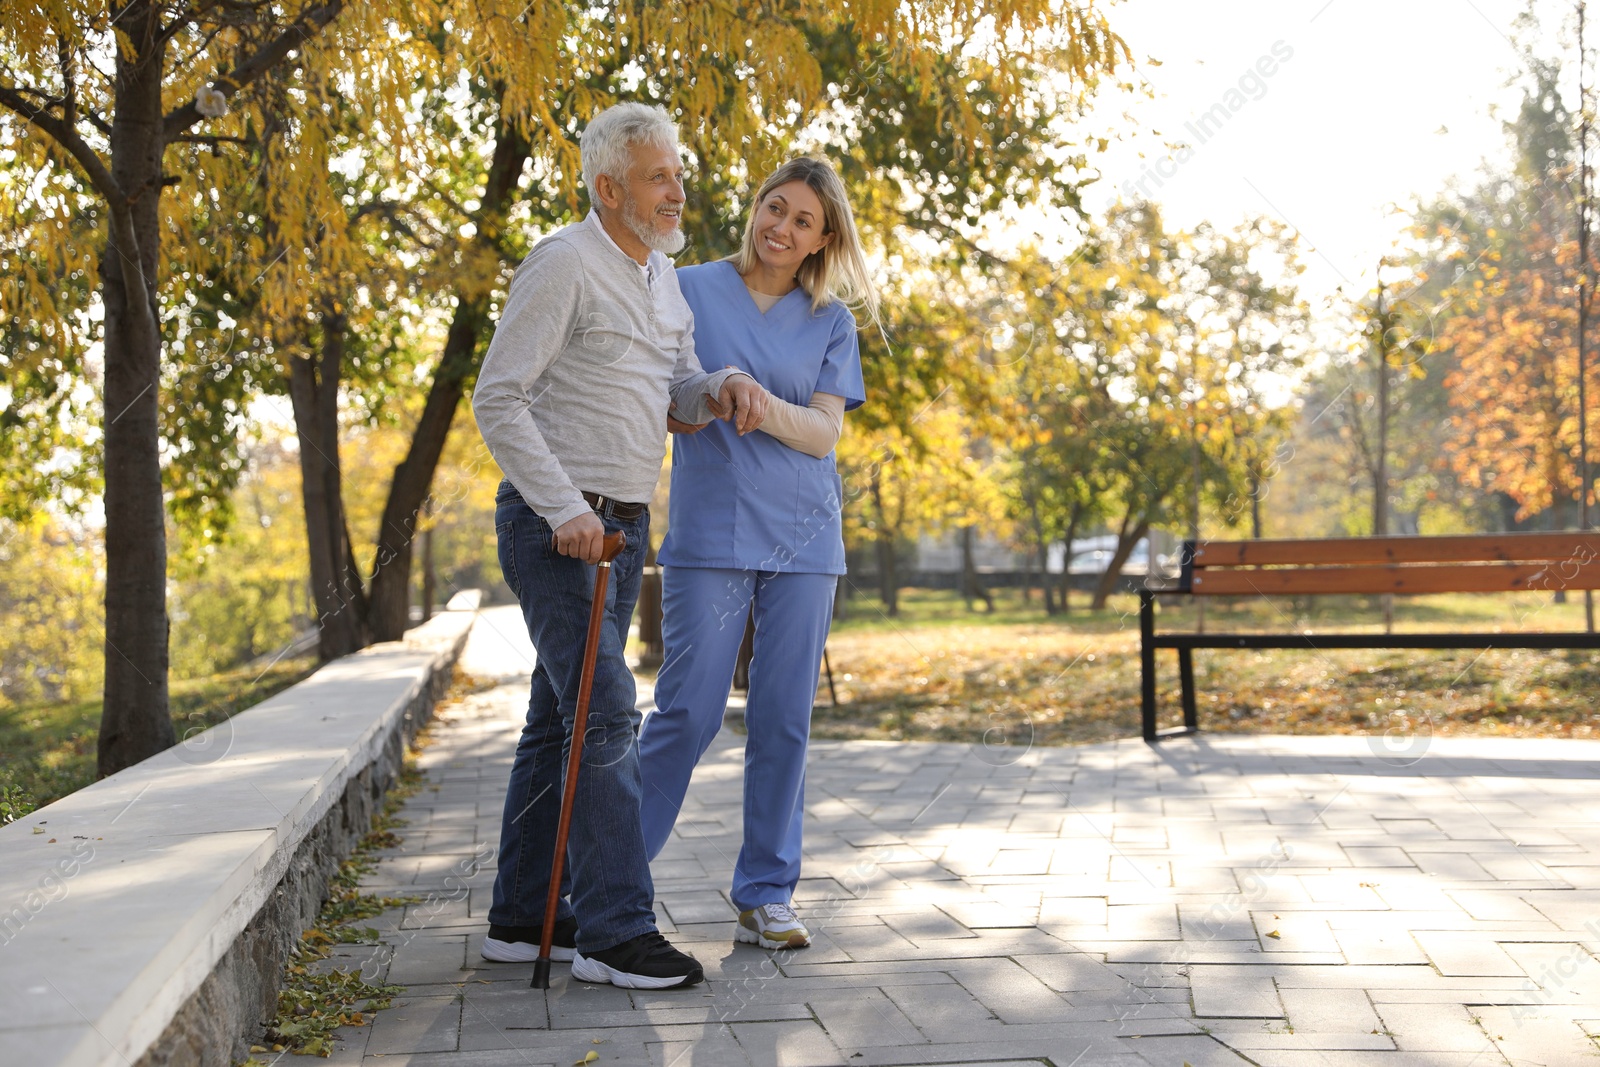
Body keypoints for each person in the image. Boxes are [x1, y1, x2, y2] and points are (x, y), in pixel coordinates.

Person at [471, 102, 769, 990]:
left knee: (555, 723)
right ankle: (613, 930)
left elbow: (673, 392)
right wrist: (564, 506)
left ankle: (526, 920)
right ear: (609, 188)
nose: (678, 189)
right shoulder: (563, 264)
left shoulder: (660, 278)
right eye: (658, 176)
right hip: (560, 527)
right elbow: (499, 396)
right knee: (606, 716)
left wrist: (716, 386)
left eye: (678, 172)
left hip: (623, 526)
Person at [638, 157, 877, 951]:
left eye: (802, 220)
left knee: (783, 719)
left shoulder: (830, 319)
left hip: (807, 540)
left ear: (822, 238)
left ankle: (767, 893)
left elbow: (821, 433)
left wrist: (755, 397)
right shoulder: (688, 286)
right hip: (711, 535)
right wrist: (716, 384)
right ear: (756, 207)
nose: (781, 227)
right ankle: (610, 880)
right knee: (687, 712)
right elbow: (669, 399)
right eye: (775, 208)